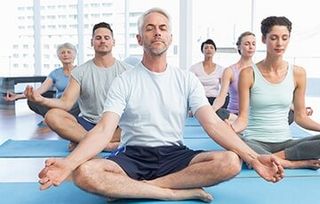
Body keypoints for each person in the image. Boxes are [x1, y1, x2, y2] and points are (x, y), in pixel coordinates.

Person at [38, 8, 283, 202]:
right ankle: (173, 191)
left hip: (174, 154)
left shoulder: (185, 79)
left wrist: (252, 158)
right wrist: (68, 164)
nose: (157, 32)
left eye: (163, 28)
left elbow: (213, 124)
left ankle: (140, 189)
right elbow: (103, 130)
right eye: (150, 28)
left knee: (230, 161)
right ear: (139, 38)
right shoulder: (125, 80)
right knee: (84, 173)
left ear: (170, 37)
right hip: (133, 155)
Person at [24, 22, 130, 151]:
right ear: (92, 42)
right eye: (98, 38)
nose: (102, 41)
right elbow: (66, 103)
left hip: (116, 125)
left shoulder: (127, 71)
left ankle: (84, 142)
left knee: (140, 121)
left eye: (106, 38)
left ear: (113, 42)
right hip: (88, 124)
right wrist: (41, 99)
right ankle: (104, 145)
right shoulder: (80, 72)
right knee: (52, 116)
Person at [232, 16, 320, 169]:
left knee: (244, 152)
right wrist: (229, 130)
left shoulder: (298, 73)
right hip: (255, 141)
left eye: (284, 38)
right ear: (263, 39)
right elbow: (243, 119)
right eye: (273, 38)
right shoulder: (248, 74)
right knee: (236, 143)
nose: (279, 43)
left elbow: (300, 117)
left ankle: (270, 159)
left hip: (286, 144)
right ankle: (292, 164)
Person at [4, 42, 80, 120]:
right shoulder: (55, 73)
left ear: (74, 55)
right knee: (32, 101)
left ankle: (55, 117)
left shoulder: (81, 71)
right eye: (62, 52)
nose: (66, 55)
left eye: (69, 52)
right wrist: (17, 96)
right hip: (58, 104)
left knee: (79, 104)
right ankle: (56, 117)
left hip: (73, 105)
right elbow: (40, 90)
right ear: (59, 56)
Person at [212, 31, 256, 122]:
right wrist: (211, 111)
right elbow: (221, 97)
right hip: (234, 115)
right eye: (247, 44)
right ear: (239, 47)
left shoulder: (260, 70)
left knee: (289, 113)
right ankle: (244, 123)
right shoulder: (229, 71)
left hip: (254, 115)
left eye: (253, 44)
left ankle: (245, 123)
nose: (251, 47)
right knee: (219, 113)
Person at [189, 39, 226, 106]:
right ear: (202, 51)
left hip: (215, 100)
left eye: (211, 48)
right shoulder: (194, 68)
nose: (209, 49)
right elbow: (190, 87)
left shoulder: (220, 69)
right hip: (199, 99)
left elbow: (224, 88)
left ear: (215, 51)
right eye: (206, 48)